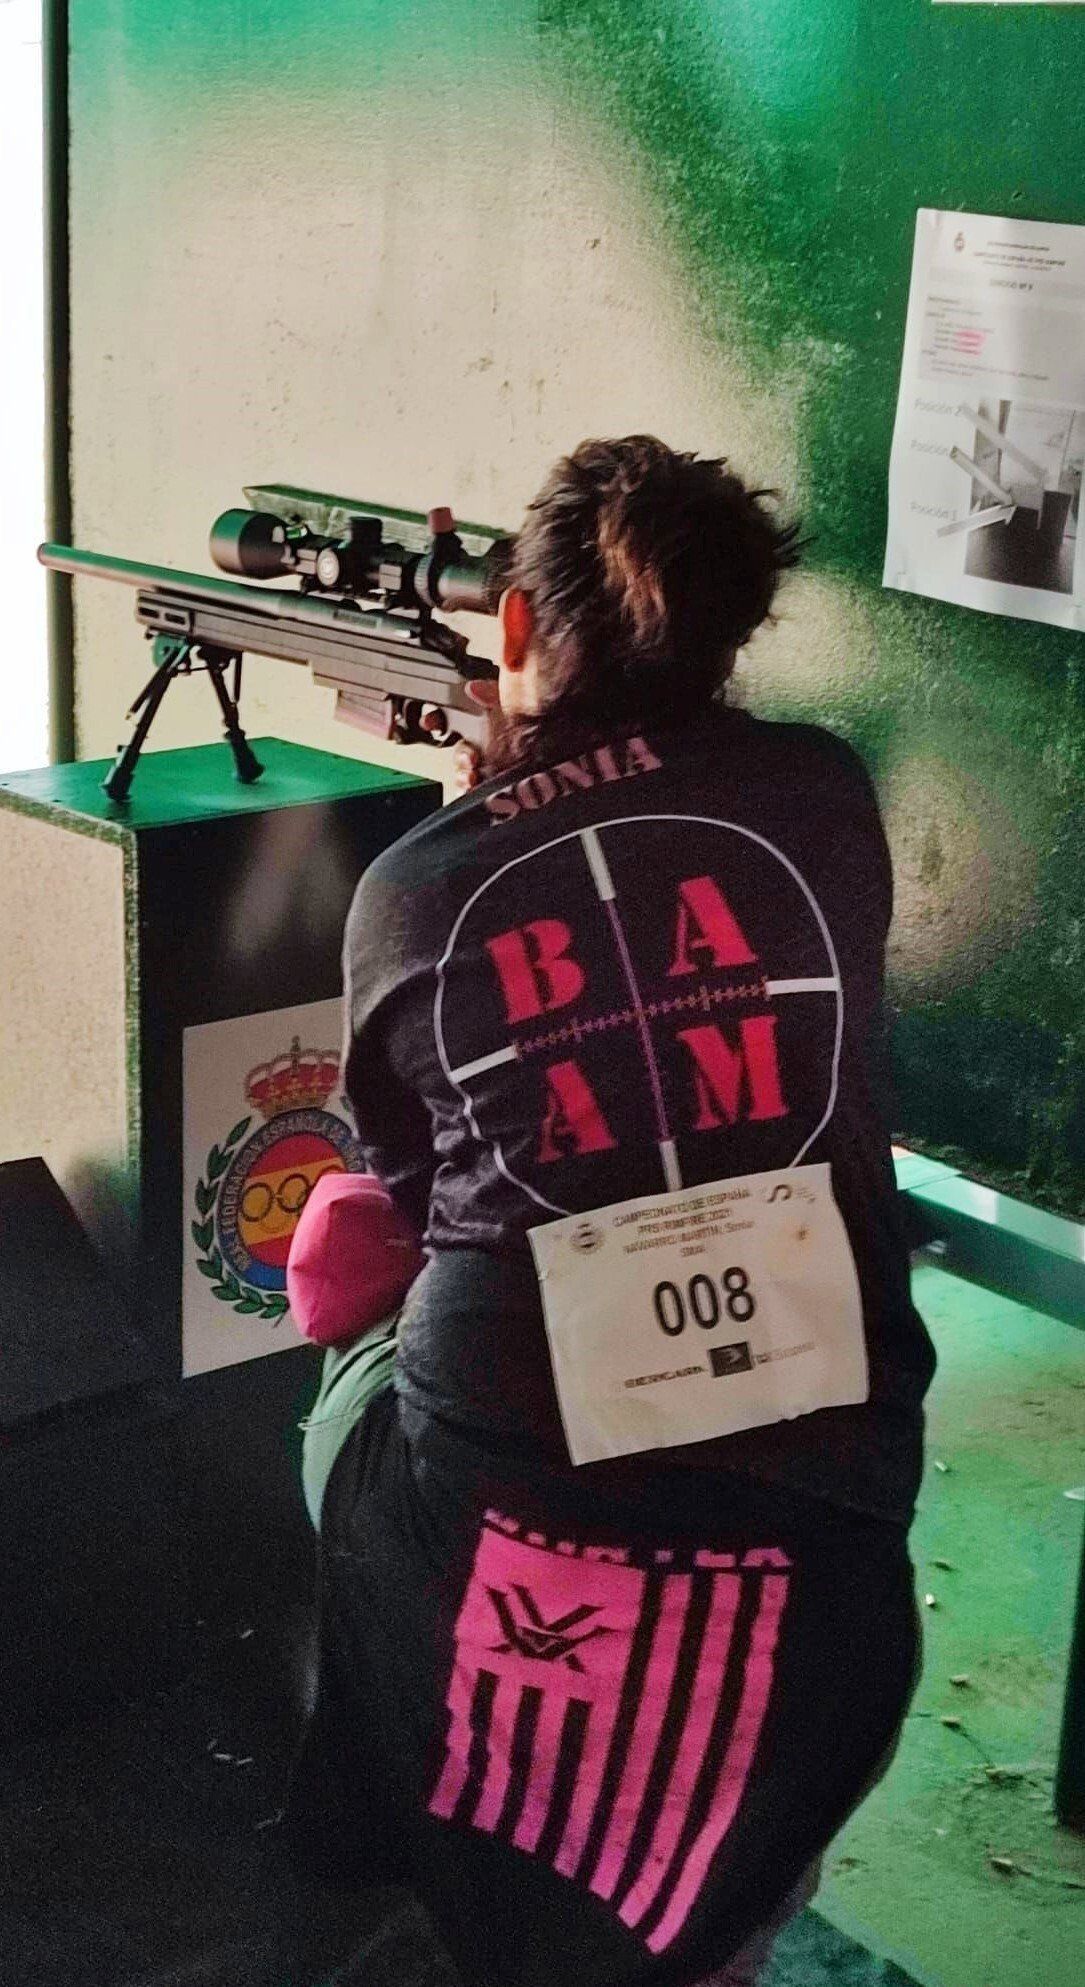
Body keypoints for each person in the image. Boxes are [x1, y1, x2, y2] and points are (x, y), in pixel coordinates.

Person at [285, 436, 934, 1987]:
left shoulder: (414, 887)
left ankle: (388, 1799)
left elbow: (419, 1193)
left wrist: (482, 816)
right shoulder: (824, 789)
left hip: (503, 1496)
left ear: (513, 627)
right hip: (830, 1500)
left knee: (345, 1335)